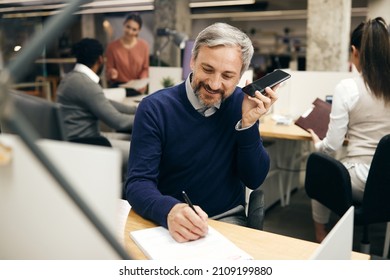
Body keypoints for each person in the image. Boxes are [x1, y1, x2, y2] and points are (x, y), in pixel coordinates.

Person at [125, 22, 279, 243]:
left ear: (241, 75)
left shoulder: (242, 104)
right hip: (167, 219)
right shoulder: (154, 108)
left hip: (225, 219)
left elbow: (254, 179)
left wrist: (247, 125)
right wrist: (169, 211)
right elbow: (138, 183)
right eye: (207, 70)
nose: (215, 84)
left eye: (227, 76)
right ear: (192, 61)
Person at [308, 17, 390, 243]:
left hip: (362, 179)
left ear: (355, 51)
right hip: (387, 181)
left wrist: (317, 143)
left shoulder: (348, 88)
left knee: (320, 165)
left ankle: (321, 236)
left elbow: (332, 146)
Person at [56, 38, 137, 166]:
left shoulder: (73, 78)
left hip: (83, 140)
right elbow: (118, 122)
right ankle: (125, 185)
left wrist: (139, 109)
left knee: (131, 139)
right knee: (142, 153)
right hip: (88, 145)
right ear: (100, 59)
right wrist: (149, 116)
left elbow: (106, 103)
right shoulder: (85, 84)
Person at [105, 13, 149, 95]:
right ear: (124, 24)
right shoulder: (112, 47)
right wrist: (112, 72)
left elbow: (145, 68)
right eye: (128, 27)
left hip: (136, 88)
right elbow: (109, 68)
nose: (130, 31)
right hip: (118, 88)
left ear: (138, 31)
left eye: (134, 29)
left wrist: (143, 81)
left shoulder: (144, 46)